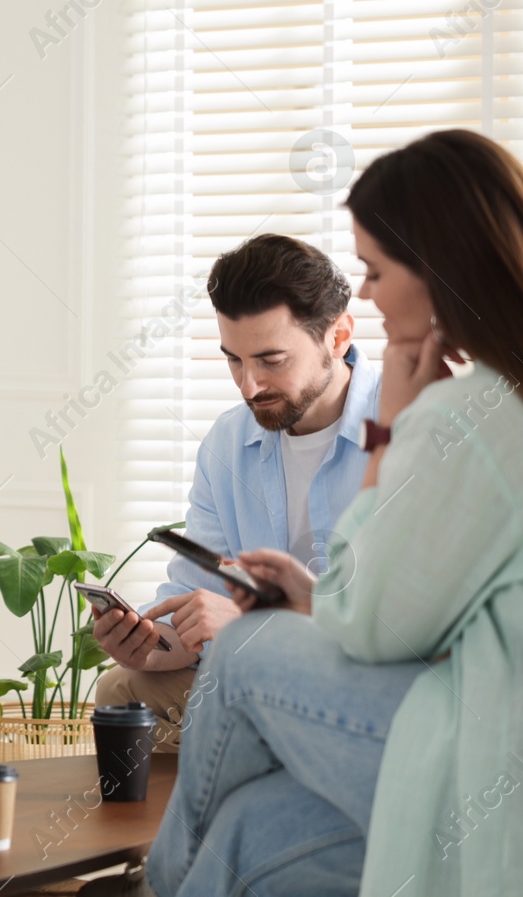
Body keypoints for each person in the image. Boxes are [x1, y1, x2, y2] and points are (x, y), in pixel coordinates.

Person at [148, 128, 523, 897]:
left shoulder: (474, 414)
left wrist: (389, 442)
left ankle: (158, 883)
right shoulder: (493, 401)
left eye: (378, 270)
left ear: (441, 265)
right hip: (473, 736)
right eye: (233, 360)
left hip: (481, 745)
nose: (372, 292)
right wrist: (311, 595)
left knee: (249, 649)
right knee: (248, 828)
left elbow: (378, 625)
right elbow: (412, 599)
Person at [93, 234, 381, 748]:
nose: (249, 386)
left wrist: (259, 633)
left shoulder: (407, 425)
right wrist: (152, 646)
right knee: (125, 688)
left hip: (366, 680)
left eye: (271, 360)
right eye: (234, 361)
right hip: (262, 676)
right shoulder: (228, 444)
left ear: (338, 338)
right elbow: (195, 608)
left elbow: (403, 624)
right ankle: (190, 830)